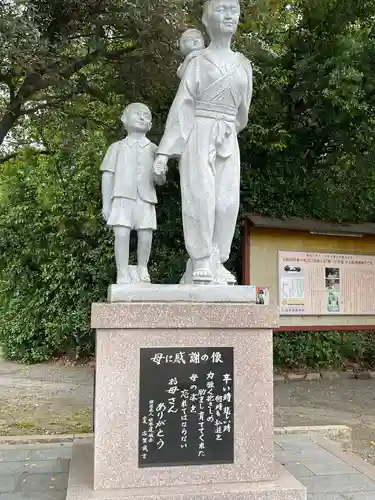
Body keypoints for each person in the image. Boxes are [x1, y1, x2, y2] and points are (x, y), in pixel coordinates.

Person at [153, 0, 253, 284]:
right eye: (221, 9)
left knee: (226, 201)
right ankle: (199, 258)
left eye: (233, 10)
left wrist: (225, 132)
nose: (229, 15)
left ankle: (217, 257)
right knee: (201, 196)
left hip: (226, 137)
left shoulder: (243, 64)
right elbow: (182, 105)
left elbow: (242, 113)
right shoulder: (197, 61)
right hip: (198, 131)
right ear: (206, 19)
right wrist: (164, 153)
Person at [101, 103, 165, 284]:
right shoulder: (116, 147)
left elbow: (160, 181)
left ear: (151, 125)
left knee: (146, 234)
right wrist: (106, 203)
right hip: (122, 197)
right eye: (137, 114)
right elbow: (107, 175)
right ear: (124, 118)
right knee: (121, 233)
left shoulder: (154, 149)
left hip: (146, 198)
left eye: (147, 115)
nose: (143, 117)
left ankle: (142, 267)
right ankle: (122, 271)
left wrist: (160, 172)